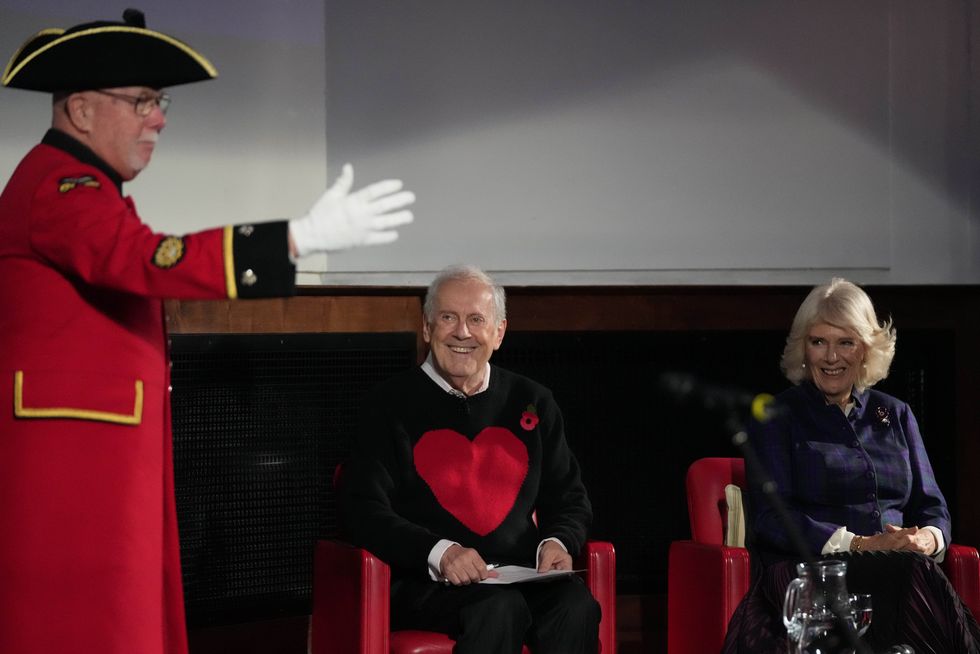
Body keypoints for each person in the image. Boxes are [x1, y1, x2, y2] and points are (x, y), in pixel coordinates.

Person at [0, 9, 415, 654]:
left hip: (93, 453)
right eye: (141, 101)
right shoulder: (63, 184)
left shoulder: (77, 185)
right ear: (81, 110)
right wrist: (295, 239)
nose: (158, 118)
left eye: (157, 101)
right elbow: (141, 258)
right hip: (73, 467)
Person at [340, 264, 600, 654]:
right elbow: (361, 509)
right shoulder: (386, 404)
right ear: (428, 328)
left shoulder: (534, 400)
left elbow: (569, 497)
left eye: (476, 319)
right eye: (448, 318)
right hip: (425, 582)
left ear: (499, 333)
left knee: (575, 604)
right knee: (498, 609)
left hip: (519, 575)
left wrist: (557, 541)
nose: (462, 332)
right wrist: (441, 552)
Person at [722, 278, 980, 654]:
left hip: (902, 570)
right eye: (818, 342)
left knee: (914, 571)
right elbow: (773, 520)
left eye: (845, 342)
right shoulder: (776, 417)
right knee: (915, 575)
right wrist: (861, 544)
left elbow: (933, 507)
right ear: (803, 350)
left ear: (865, 351)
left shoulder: (895, 415)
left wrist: (928, 538)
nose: (831, 357)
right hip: (811, 572)